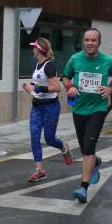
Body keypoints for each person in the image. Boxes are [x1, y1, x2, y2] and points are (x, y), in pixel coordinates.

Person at [62, 28, 112, 203]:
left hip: (98, 108)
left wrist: (111, 88)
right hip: (78, 109)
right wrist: (70, 88)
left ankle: (83, 187)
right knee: (84, 149)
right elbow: (65, 78)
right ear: (84, 41)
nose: (90, 43)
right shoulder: (75, 59)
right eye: (87, 40)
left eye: (93, 40)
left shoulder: (108, 60)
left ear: (99, 43)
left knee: (89, 146)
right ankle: (95, 161)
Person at [22, 38, 73, 182]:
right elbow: (40, 83)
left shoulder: (49, 65)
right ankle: (40, 170)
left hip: (51, 107)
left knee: (49, 139)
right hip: (37, 106)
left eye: (33, 47)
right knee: (34, 137)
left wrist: (36, 88)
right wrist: (30, 86)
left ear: (38, 49)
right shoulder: (38, 64)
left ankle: (63, 147)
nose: (32, 49)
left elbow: (57, 87)